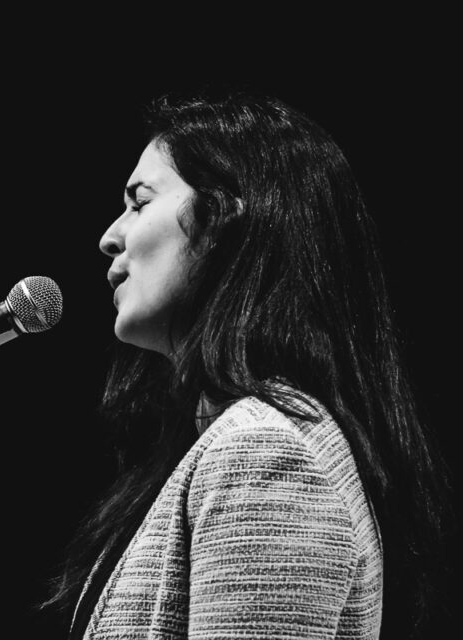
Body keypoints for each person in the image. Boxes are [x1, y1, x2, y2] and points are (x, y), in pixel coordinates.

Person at [44, 92, 450, 639]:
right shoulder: (249, 438)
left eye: (139, 202)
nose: (109, 237)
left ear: (223, 221)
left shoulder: (263, 453)